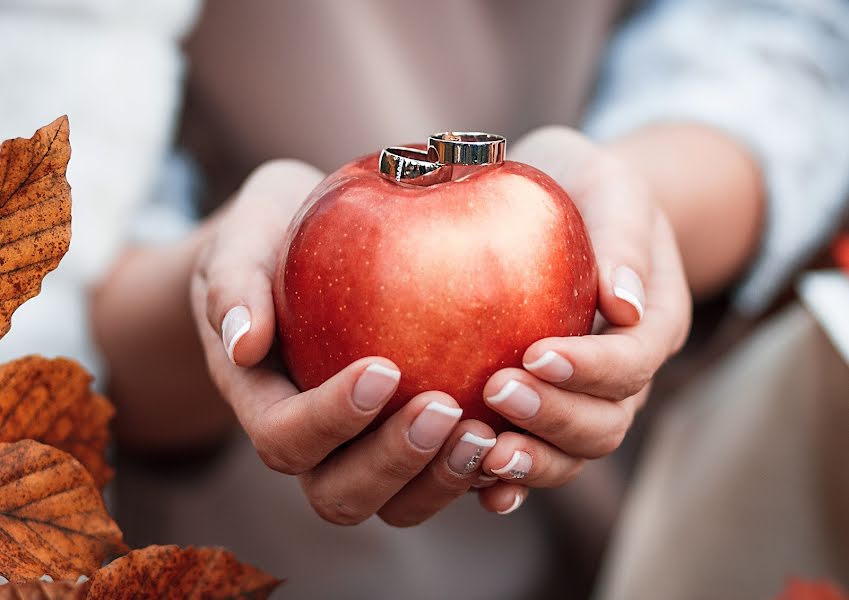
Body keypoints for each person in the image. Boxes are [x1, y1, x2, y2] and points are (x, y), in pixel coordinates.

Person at [5, 0, 847, 598]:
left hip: (671, 499)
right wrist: (229, 302)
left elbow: (787, 35)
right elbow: (62, 262)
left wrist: (636, 213)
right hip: (258, 532)